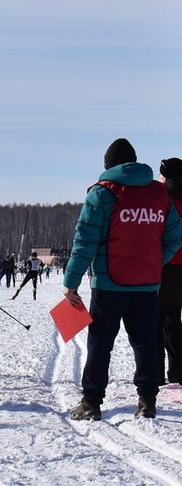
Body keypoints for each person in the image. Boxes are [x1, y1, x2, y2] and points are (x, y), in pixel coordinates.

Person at [63, 138, 182, 421]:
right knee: (144, 342)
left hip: (108, 285)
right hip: (147, 284)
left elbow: (84, 242)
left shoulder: (102, 193)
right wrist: (154, 262)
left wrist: (71, 282)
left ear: (108, 166)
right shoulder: (159, 193)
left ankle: (91, 402)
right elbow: (175, 236)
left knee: (100, 343)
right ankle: (147, 400)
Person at [157, 157, 182, 386]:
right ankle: (177, 372)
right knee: (175, 319)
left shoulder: (163, 197)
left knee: (156, 320)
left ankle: (155, 373)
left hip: (165, 265)